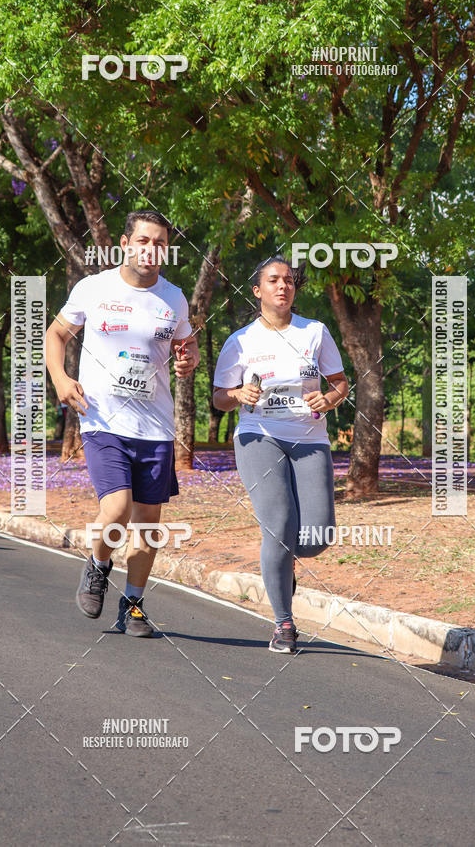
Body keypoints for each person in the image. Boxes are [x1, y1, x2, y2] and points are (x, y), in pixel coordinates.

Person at [46, 210, 199, 637]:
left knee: (148, 523)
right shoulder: (93, 289)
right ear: (126, 242)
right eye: (145, 241)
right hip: (102, 419)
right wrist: (60, 378)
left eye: (161, 244)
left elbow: (187, 343)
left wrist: (189, 360)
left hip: (155, 425)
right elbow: (56, 334)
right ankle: (97, 566)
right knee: (115, 507)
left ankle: (132, 604)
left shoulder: (174, 298)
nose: (152, 250)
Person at [213, 256, 348, 653]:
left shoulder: (315, 332)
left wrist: (327, 399)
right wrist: (238, 394)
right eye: (273, 280)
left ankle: (284, 561)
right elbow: (220, 398)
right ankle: (283, 623)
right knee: (279, 524)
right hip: (259, 436)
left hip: (309, 438)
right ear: (258, 291)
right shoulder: (240, 341)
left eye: (289, 281)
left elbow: (340, 384)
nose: (282, 286)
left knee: (317, 535)